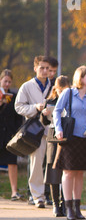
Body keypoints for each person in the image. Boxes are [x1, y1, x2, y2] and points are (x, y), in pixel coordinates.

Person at [53, 66, 86, 220]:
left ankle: (78, 208)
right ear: (81, 78)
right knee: (68, 171)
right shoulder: (68, 93)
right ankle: (68, 207)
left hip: (85, 138)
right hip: (70, 136)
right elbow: (57, 110)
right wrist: (58, 128)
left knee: (79, 172)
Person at [15, 56, 52, 208]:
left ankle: (53, 194)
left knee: (52, 164)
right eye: (41, 68)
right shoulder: (27, 86)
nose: (44, 71)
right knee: (36, 163)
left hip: (53, 129)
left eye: (47, 68)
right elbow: (18, 107)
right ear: (35, 68)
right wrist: (35, 108)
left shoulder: (54, 85)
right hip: (35, 130)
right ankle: (37, 196)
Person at [42, 75, 70, 216]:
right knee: (53, 168)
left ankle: (65, 203)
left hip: (66, 136)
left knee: (66, 169)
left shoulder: (71, 100)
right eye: (60, 91)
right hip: (53, 137)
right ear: (56, 90)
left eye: (65, 90)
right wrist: (44, 113)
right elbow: (45, 122)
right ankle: (55, 203)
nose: (62, 94)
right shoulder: (51, 101)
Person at [0, 69, 23, 201]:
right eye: (5, 81)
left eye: (9, 82)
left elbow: (18, 116)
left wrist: (16, 132)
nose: (7, 84)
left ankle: (14, 191)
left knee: (12, 162)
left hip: (9, 135)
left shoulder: (14, 97)